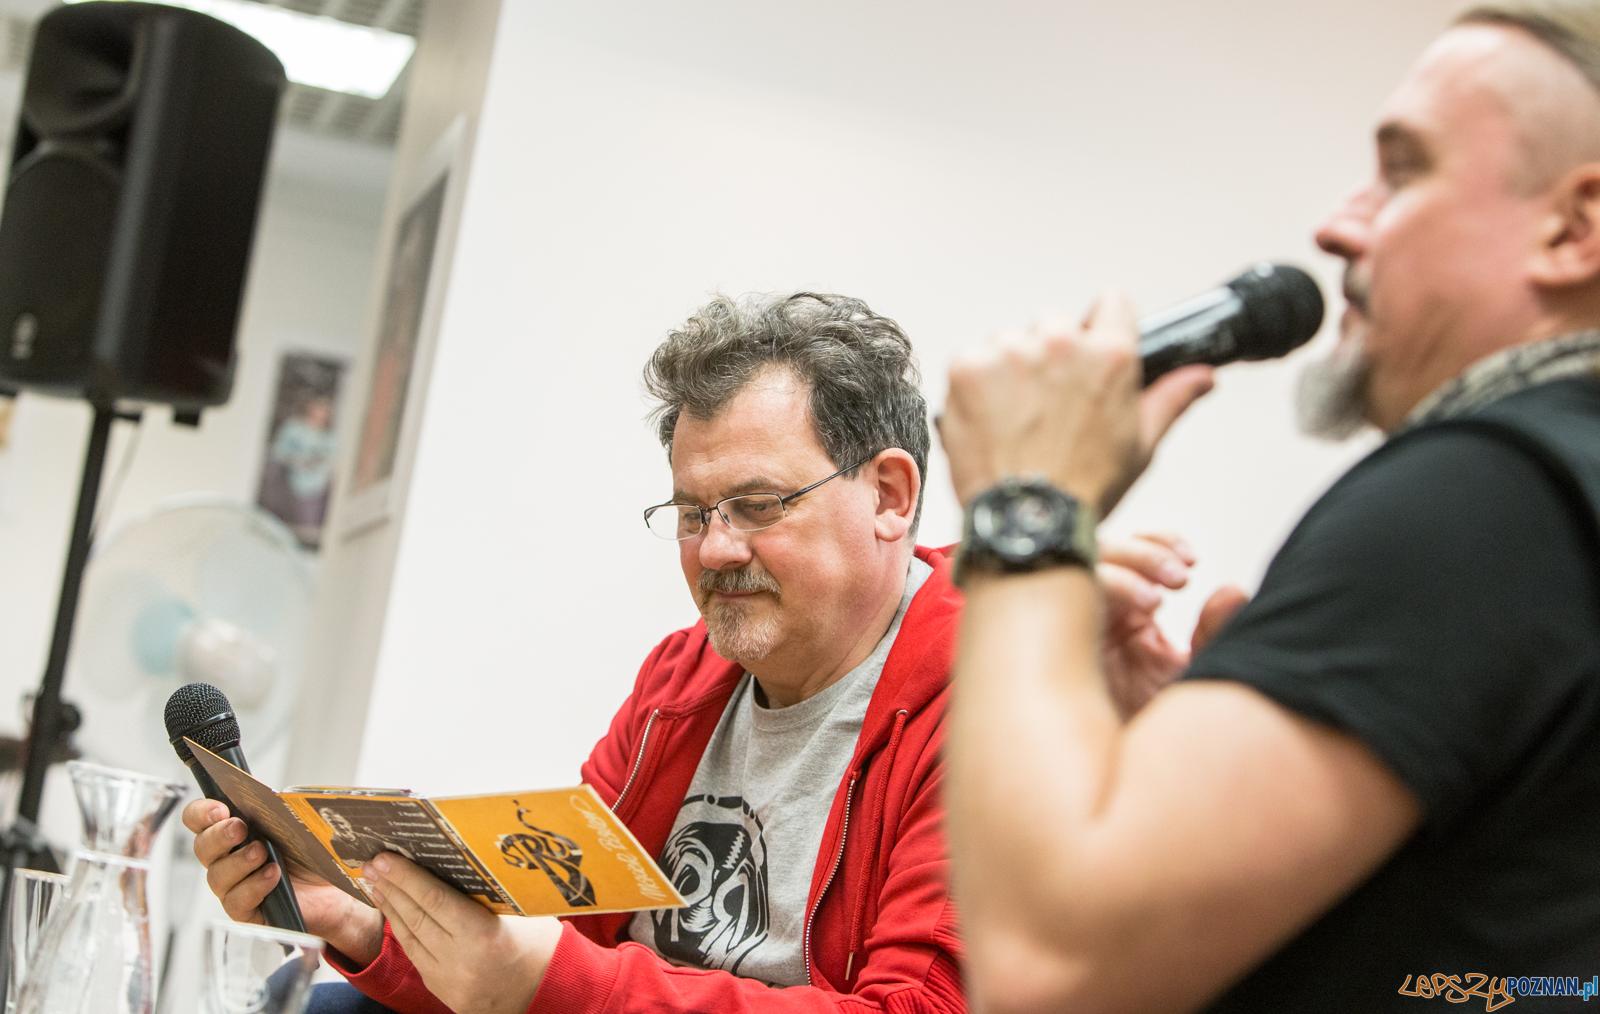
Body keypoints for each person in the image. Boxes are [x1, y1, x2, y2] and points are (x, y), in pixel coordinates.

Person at [183, 292, 1197, 1014]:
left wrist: (551, 983)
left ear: (890, 495)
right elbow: (552, 941)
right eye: (692, 511)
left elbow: (917, 1008)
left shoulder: (990, 692)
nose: (715, 549)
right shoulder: (682, 677)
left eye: (757, 504)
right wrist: (364, 923)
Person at [940, 0, 1600, 1014]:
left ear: (1573, 228)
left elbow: (1050, 971)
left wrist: (1030, 502)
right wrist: (1189, 769)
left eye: (1403, 171)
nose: (1338, 225)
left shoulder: (1488, 492)